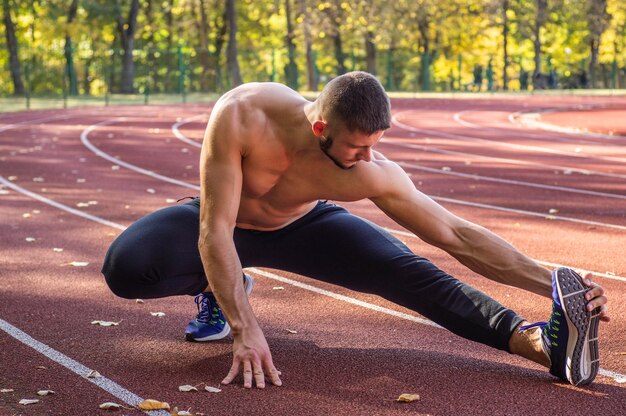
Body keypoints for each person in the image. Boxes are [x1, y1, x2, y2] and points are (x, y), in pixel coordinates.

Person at [102, 71, 609, 389]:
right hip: (223, 221)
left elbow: (454, 235)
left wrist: (559, 287)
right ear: (321, 127)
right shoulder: (242, 114)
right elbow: (214, 230)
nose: (368, 159)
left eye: (376, 145)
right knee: (126, 267)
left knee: (410, 274)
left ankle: (533, 341)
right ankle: (219, 292)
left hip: (305, 224)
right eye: (357, 148)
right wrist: (245, 328)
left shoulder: (370, 169)